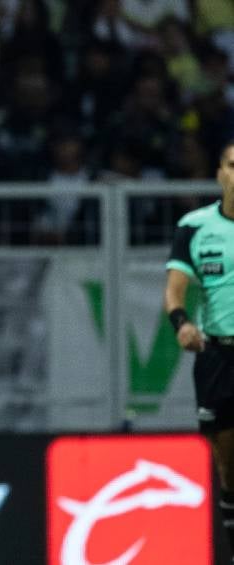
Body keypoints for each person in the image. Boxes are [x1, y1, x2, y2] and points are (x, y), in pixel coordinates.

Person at [164, 140, 234, 562]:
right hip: (218, 357)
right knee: (228, 468)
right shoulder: (195, 226)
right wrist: (183, 324)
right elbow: (175, 293)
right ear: (220, 174)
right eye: (232, 165)